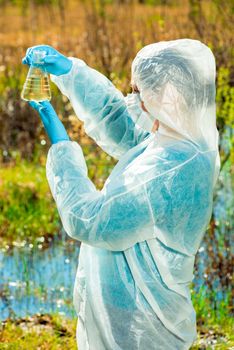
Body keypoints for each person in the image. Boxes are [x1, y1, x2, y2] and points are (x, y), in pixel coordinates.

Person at [23, 38, 220, 350]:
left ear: (169, 95)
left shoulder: (172, 169)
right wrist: (69, 72)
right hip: (133, 309)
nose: (133, 98)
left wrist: (60, 145)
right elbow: (121, 124)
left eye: (139, 91)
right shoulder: (181, 139)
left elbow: (90, 219)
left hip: (141, 325)